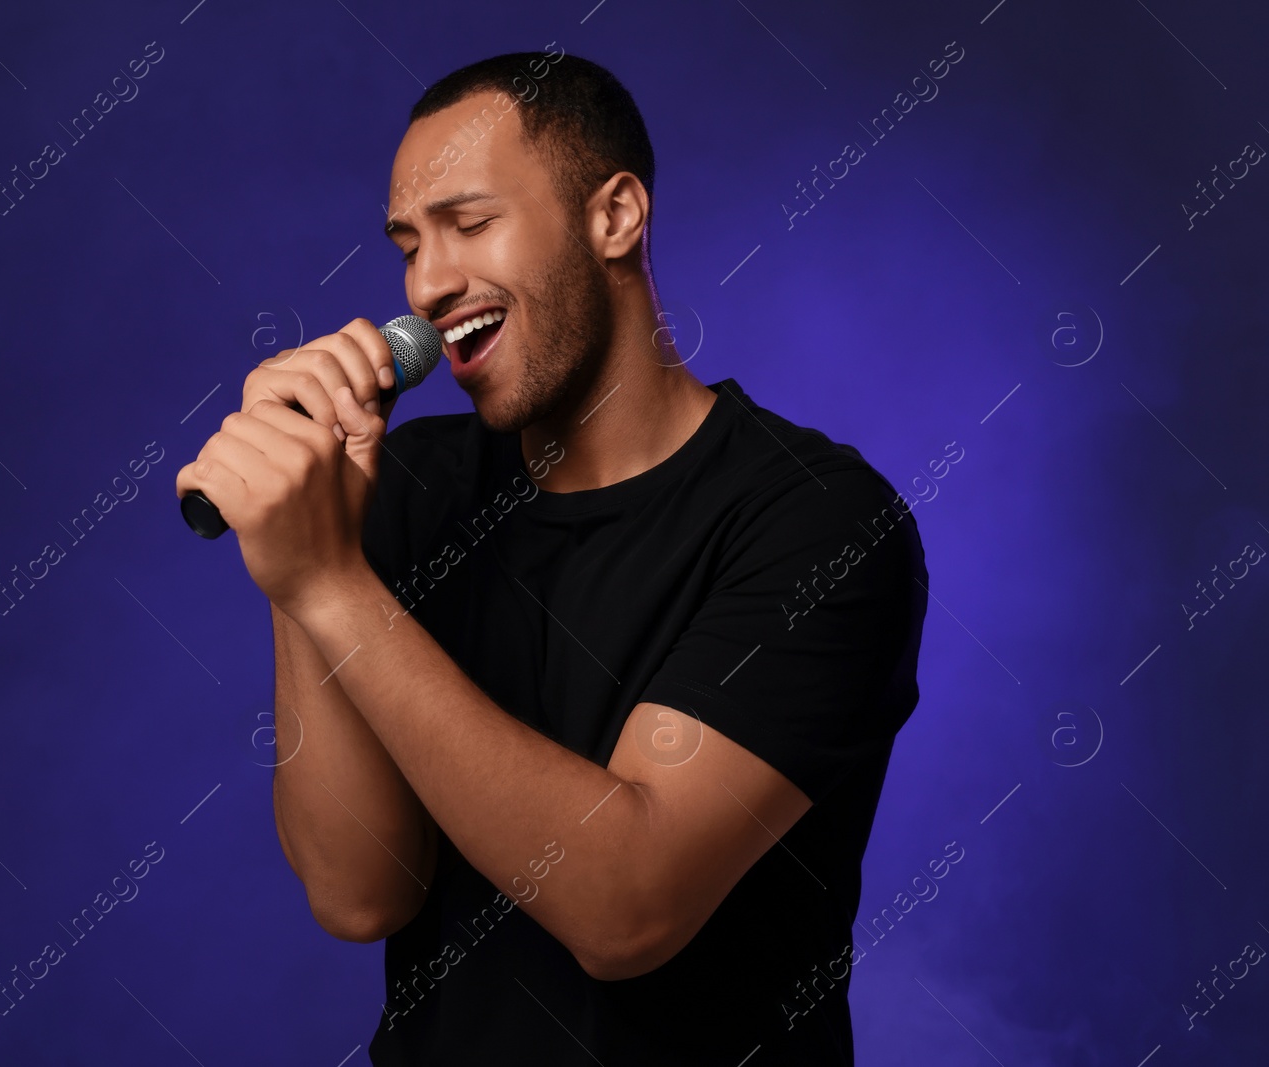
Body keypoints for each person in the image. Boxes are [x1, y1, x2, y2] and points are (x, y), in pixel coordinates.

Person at [175, 49, 929, 1065]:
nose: (429, 282)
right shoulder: (410, 488)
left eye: (469, 223)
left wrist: (326, 579)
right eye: (408, 244)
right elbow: (360, 892)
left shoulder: (818, 521)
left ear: (614, 217)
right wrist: (303, 546)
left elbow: (627, 907)